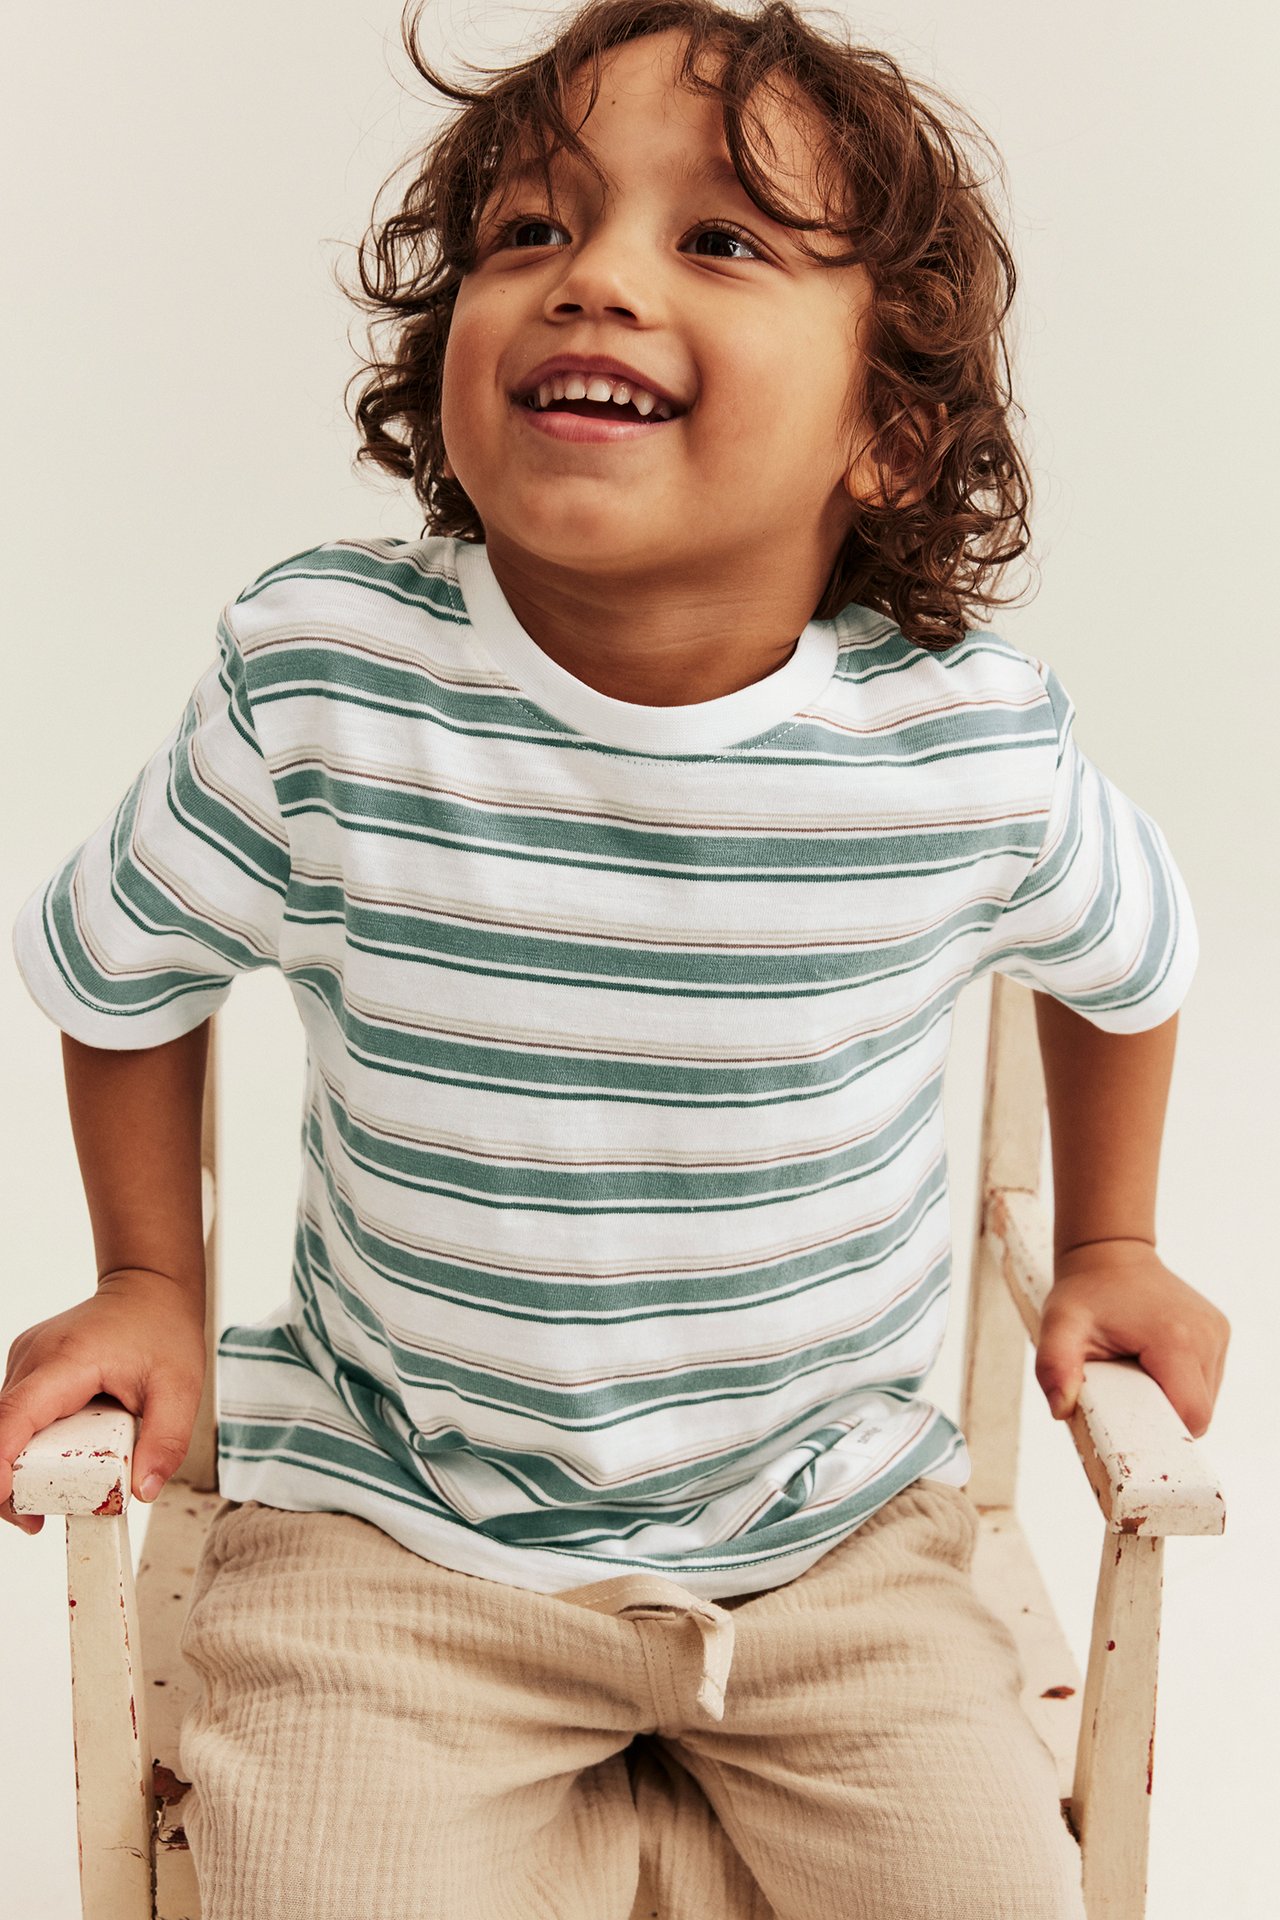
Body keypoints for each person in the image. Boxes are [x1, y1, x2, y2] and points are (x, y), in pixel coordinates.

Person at [1, 2, 1230, 1916]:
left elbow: (1131, 957)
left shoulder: (959, 745)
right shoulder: (332, 680)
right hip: (404, 1530)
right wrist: (155, 1277)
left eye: (718, 240)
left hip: (834, 1532)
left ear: (888, 434)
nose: (596, 281)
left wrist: (1115, 1245)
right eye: (529, 232)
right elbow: (121, 965)